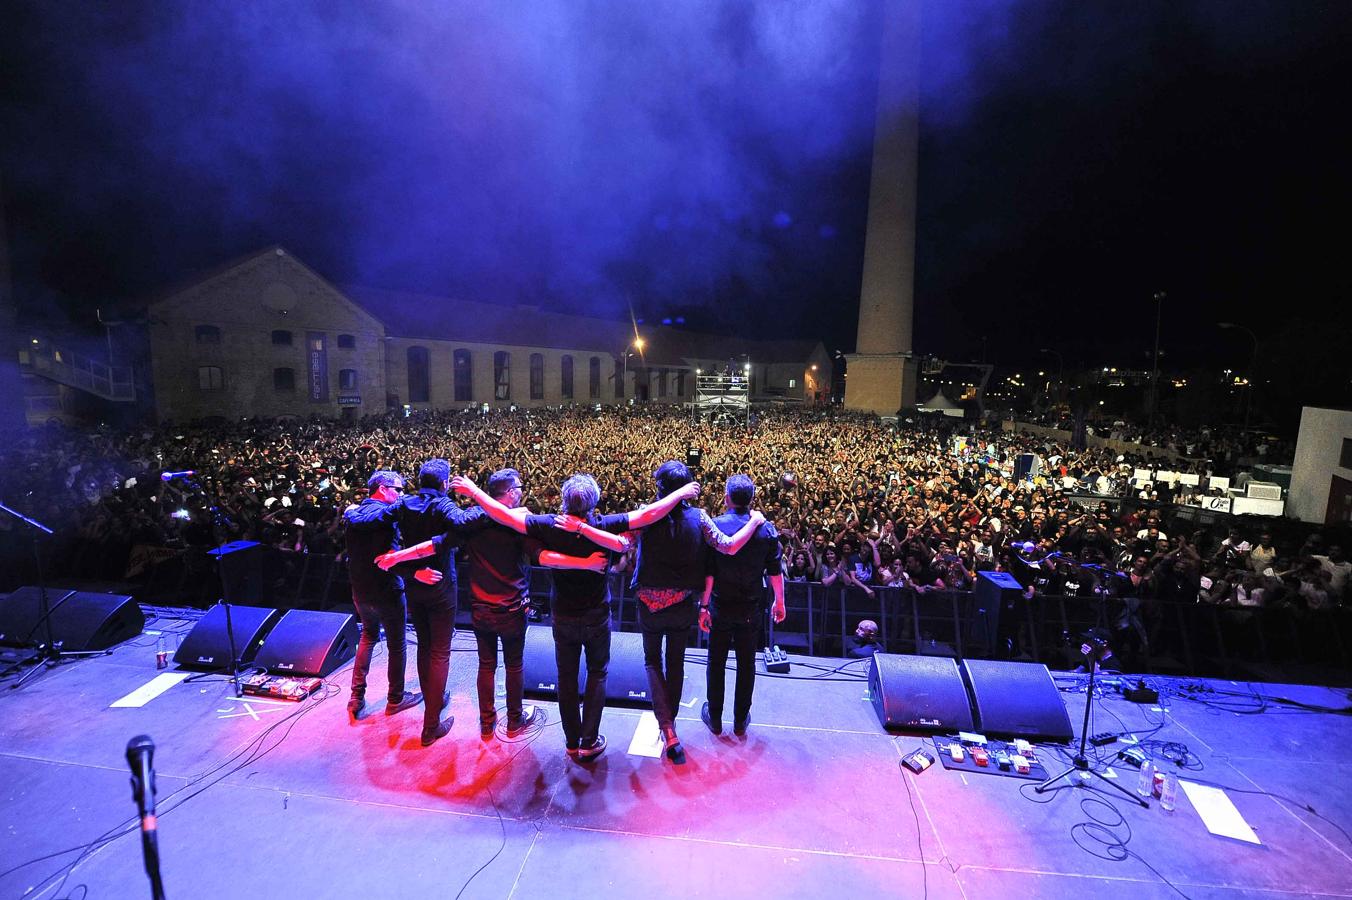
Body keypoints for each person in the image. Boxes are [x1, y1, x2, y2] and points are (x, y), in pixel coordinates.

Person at [388, 468, 605, 741]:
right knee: (514, 664)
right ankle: (514, 720)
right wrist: (585, 563)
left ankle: (487, 723)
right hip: (512, 607)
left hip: (480, 606)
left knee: (486, 665)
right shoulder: (518, 524)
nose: (523, 493)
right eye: (520, 488)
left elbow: (436, 545)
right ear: (511, 493)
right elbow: (542, 556)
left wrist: (398, 558)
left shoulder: (473, 522)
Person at [450, 471, 634, 758]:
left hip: (562, 615)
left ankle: (571, 742)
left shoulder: (549, 525)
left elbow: (507, 518)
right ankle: (589, 741)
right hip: (596, 615)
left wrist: (474, 492)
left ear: (563, 500)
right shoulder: (605, 527)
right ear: (594, 501)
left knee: (565, 676)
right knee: (597, 673)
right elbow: (625, 542)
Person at [622, 461, 765, 763]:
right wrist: (753, 522)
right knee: (676, 663)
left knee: (652, 662)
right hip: (683, 604)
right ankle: (670, 726)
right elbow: (728, 547)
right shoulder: (699, 517)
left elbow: (623, 543)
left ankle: (667, 727)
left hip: (649, 602)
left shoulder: (645, 515)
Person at [375, 458, 476, 747]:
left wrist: (355, 512)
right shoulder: (443, 505)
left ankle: (435, 696)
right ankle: (431, 726)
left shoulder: (404, 504)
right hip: (442, 586)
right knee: (440, 652)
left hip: (414, 583)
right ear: (445, 484)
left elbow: (378, 519)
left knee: (424, 646)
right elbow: (463, 524)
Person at [699, 474, 785, 737]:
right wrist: (780, 602)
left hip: (720, 605)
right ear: (752, 499)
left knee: (716, 662)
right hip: (750, 607)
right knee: (746, 664)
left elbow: (709, 573)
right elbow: (774, 571)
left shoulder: (715, 526)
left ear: (727, 497)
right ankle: (739, 720)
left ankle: (715, 719)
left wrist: (703, 607)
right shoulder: (766, 529)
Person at [341, 470, 420, 721]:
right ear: (382, 488)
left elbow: (358, 518)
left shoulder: (352, 514)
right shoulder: (385, 515)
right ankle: (396, 698)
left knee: (367, 637)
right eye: (397, 489)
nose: (401, 494)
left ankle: (356, 697)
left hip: (360, 590)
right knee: (397, 645)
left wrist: (349, 509)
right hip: (387, 589)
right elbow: (394, 513)